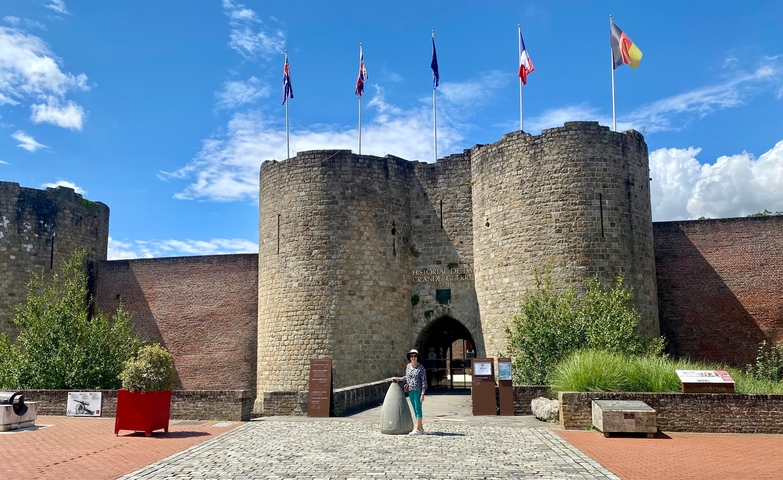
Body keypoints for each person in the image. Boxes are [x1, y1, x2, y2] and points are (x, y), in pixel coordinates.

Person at [392, 349, 427, 435]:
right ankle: (421, 427)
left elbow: (424, 381)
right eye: (411, 356)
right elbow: (407, 378)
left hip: (418, 390)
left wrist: (423, 393)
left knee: (418, 409)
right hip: (410, 390)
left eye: (415, 356)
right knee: (415, 409)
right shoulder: (408, 366)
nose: (413, 358)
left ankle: (418, 429)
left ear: (417, 357)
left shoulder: (421, 368)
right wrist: (397, 378)